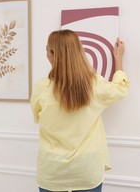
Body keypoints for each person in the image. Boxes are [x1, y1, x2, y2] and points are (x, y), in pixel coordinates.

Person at [30, 30, 129, 192]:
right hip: (87, 170)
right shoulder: (94, 84)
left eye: (47, 50)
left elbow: (37, 116)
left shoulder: (42, 87)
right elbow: (120, 89)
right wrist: (118, 58)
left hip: (52, 171)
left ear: (52, 54)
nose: (46, 54)